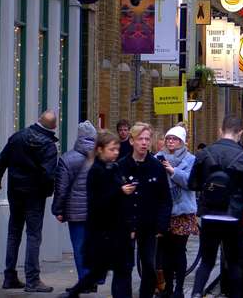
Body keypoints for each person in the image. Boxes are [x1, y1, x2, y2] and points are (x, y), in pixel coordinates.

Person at [58, 130, 136, 298]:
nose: (116, 152)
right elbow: (98, 201)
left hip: (117, 229)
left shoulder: (113, 167)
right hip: (104, 231)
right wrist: (120, 191)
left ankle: (74, 293)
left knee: (120, 269)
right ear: (100, 149)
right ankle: (73, 294)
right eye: (112, 149)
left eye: (117, 149)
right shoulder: (96, 170)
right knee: (99, 271)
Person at [0, 111, 59, 292]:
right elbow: (48, 175)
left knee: (14, 232)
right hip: (34, 195)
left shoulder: (17, 137)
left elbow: (1, 160)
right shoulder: (49, 146)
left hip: (15, 191)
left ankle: (9, 275)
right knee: (33, 235)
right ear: (54, 127)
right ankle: (32, 280)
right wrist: (47, 192)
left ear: (38, 121)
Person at [189, 114, 243, 298]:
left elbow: (192, 184)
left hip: (210, 214)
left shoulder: (204, 153)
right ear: (240, 133)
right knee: (233, 263)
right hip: (233, 216)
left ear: (220, 130)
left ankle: (195, 293)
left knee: (207, 261)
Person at [117, 122, 172, 298]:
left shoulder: (156, 167)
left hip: (149, 225)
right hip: (125, 225)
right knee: (124, 266)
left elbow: (165, 199)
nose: (144, 143)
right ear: (131, 141)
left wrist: (161, 227)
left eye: (147, 139)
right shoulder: (121, 166)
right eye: (140, 139)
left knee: (148, 265)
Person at [52, 121, 98, 293]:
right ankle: (92, 279)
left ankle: (84, 281)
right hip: (95, 211)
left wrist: (58, 210)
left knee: (79, 247)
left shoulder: (67, 158)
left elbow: (61, 188)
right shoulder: (100, 158)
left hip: (75, 211)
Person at [156, 125, 197, 298]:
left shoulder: (191, 159)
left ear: (182, 142)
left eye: (175, 139)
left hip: (183, 212)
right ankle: (168, 288)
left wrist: (173, 171)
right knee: (165, 252)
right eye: (168, 139)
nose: (171, 142)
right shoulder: (157, 157)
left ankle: (179, 289)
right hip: (164, 212)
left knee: (178, 251)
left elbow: (191, 182)